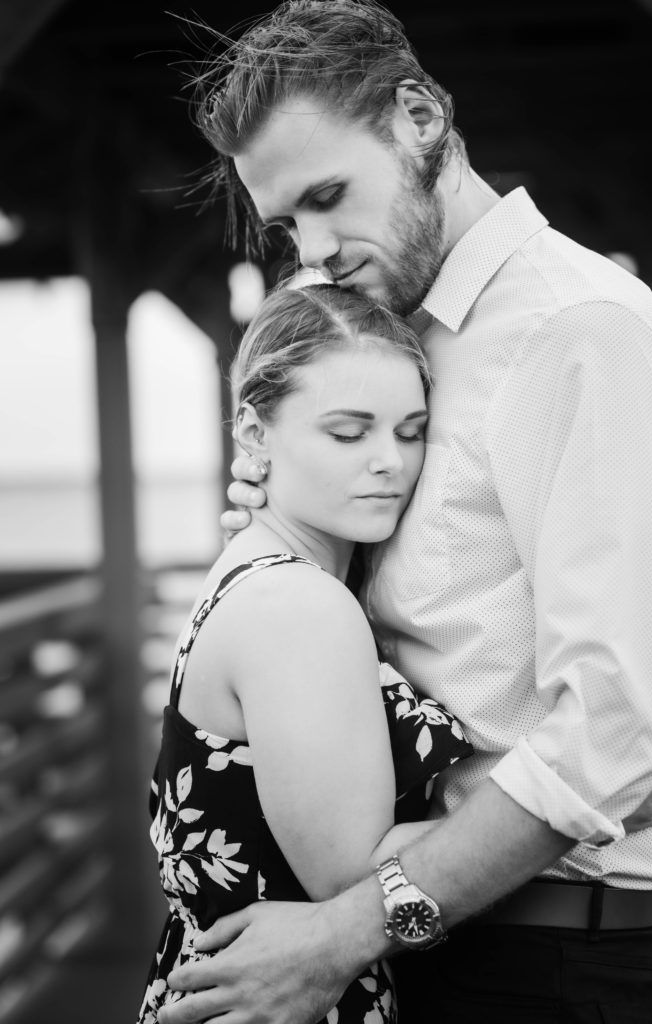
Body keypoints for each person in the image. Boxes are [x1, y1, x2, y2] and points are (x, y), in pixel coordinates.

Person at [157, 1, 652, 1021]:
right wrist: (279, 538)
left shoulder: (578, 334)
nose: (313, 249)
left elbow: (615, 736)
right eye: (286, 225)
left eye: (327, 195)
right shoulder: (395, 342)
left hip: (536, 964)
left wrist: (347, 935)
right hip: (422, 942)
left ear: (417, 118)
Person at [136, 282, 475, 1024]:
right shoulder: (300, 606)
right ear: (255, 435)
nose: (391, 461)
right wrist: (556, 804)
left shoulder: (254, 569)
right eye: (349, 433)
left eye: (411, 431)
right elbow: (348, 873)